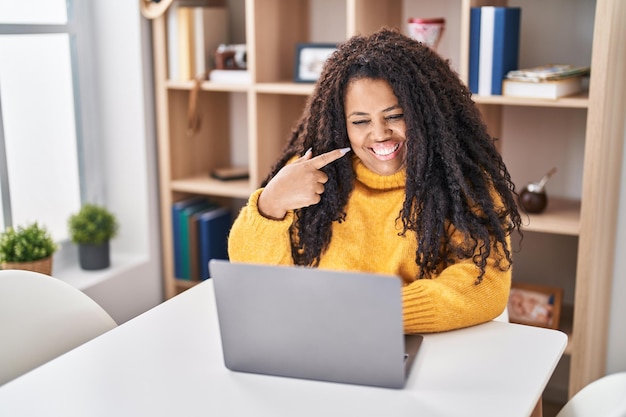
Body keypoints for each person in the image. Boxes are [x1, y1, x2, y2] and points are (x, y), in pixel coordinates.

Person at [227, 28, 522, 334]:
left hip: (411, 343)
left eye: (394, 116)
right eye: (360, 121)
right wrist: (270, 204)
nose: (379, 134)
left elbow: (484, 284)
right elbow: (255, 282)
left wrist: (375, 314)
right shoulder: (306, 176)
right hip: (316, 338)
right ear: (342, 125)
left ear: (423, 114)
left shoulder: (461, 182)